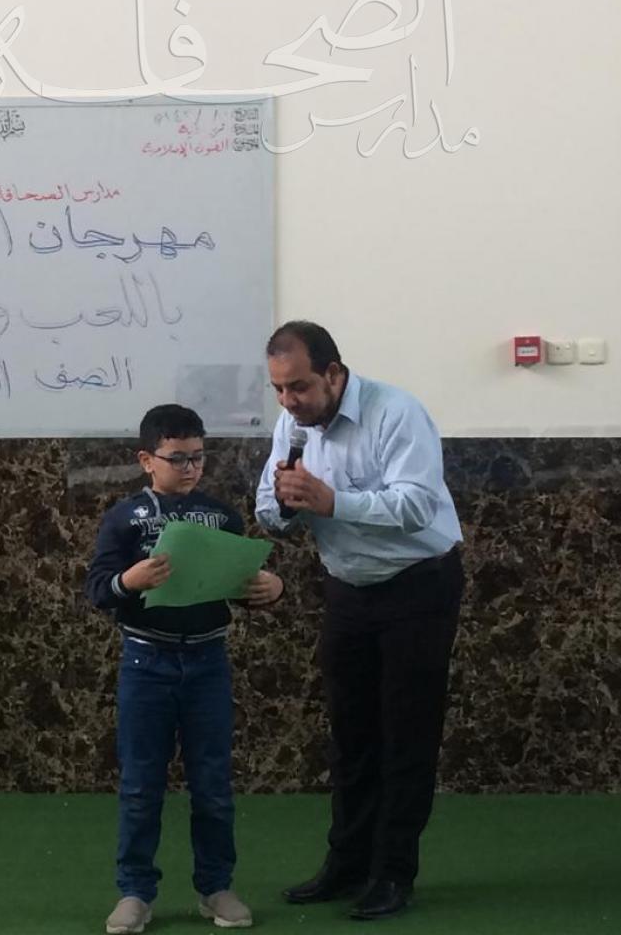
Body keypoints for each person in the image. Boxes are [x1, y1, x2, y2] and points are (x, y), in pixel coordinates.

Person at [255, 322, 463, 921]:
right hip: (347, 589)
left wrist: (332, 502)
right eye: (279, 389)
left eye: (299, 387)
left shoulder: (397, 413)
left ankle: (393, 872)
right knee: (350, 735)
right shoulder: (293, 425)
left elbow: (417, 505)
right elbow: (268, 506)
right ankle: (346, 864)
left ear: (334, 374)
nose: (289, 401)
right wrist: (285, 508)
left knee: (405, 734)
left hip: (417, 585)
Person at [87, 403, 284, 935]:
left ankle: (215, 887)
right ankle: (135, 891)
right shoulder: (124, 518)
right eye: (177, 458)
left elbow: (237, 584)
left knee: (213, 785)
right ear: (146, 460)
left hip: (206, 661)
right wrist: (128, 581)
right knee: (140, 786)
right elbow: (97, 589)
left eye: (198, 457)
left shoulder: (222, 516)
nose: (191, 468)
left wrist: (268, 589)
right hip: (145, 661)